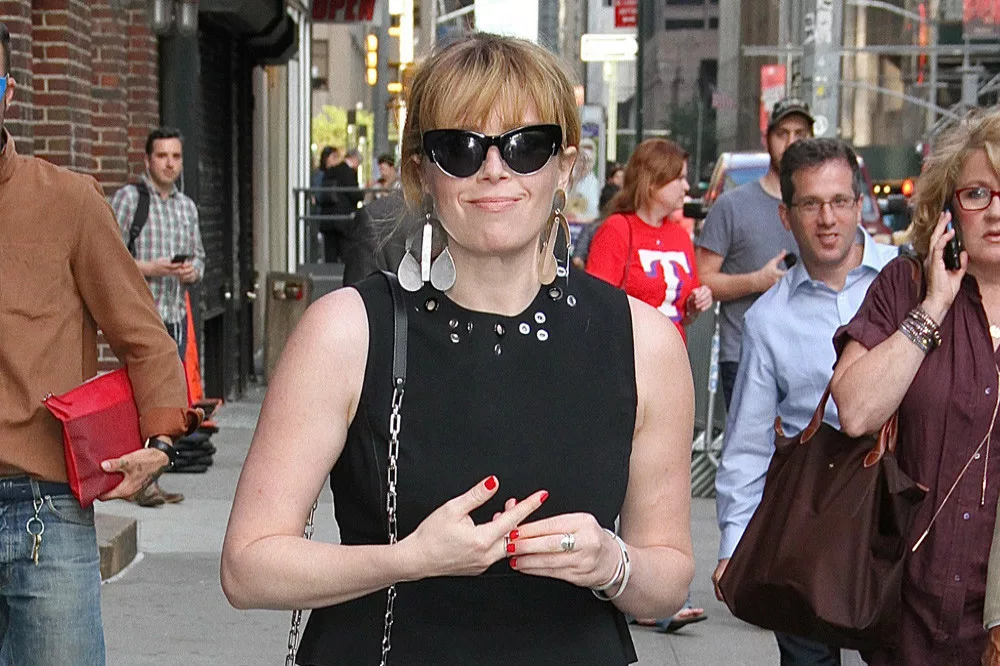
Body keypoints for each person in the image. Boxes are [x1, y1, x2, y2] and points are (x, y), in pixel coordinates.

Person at [221, 33, 695, 665]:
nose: (494, 169)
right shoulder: (348, 331)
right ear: (422, 172)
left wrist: (613, 562)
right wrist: (408, 559)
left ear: (565, 167)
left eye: (526, 146)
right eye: (461, 148)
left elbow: (667, 578)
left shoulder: (642, 342)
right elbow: (248, 566)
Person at [0, 21, 195, 665]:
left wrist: (160, 442)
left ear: (9, 93)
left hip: (43, 508)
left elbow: (142, 335)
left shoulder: (67, 202)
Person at [713, 138, 898, 665]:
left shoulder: (906, 280)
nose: (827, 219)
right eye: (811, 204)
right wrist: (733, 545)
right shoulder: (768, 318)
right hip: (808, 519)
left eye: (839, 201)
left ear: (859, 205)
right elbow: (748, 444)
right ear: (786, 216)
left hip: (895, 511)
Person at [831, 108, 1000, 665]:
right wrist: (933, 307)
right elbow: (855, 411)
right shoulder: (903, 287)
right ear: (948, 209)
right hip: (905, 609)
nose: (995, 210)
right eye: (977, 193)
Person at [695, 99, 813, 407]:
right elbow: (702, 278)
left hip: (810, 354)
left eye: (800, 134)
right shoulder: (732, 206)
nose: (791, 143)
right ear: (767, 139)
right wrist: (756, 281)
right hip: (745, 356)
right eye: (782, 134)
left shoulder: (821, 208)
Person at [111, 126, 206, 507]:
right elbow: (108, 258)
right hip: (139, 316)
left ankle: (151, 478)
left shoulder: (187, 208)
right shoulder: (129, 200)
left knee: (167, 403)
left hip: (175, 316)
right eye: (162, 156)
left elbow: (199, 257)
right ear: (148, 160)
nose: (170, 164)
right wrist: (150, 268)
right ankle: (135, 479)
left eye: (176, 156)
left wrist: (191, 271)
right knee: (137, 400)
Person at [586, 138, 713, 344]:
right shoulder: (617, 229)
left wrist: (696, 302)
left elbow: (683, 314)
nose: (686, 187)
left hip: (673, 351)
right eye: (679, 178)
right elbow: (596, 302)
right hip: (631, 351)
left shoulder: (680, 236)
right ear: (653, 182)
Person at [319, 147, 364, 263]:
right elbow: (354, 194)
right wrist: (363, 194)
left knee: (330, 257)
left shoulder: (331, 171)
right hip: (343, 221)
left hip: (328, 219)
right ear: (355, 159)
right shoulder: (347, 172)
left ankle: (329, 275)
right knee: (346, 256)